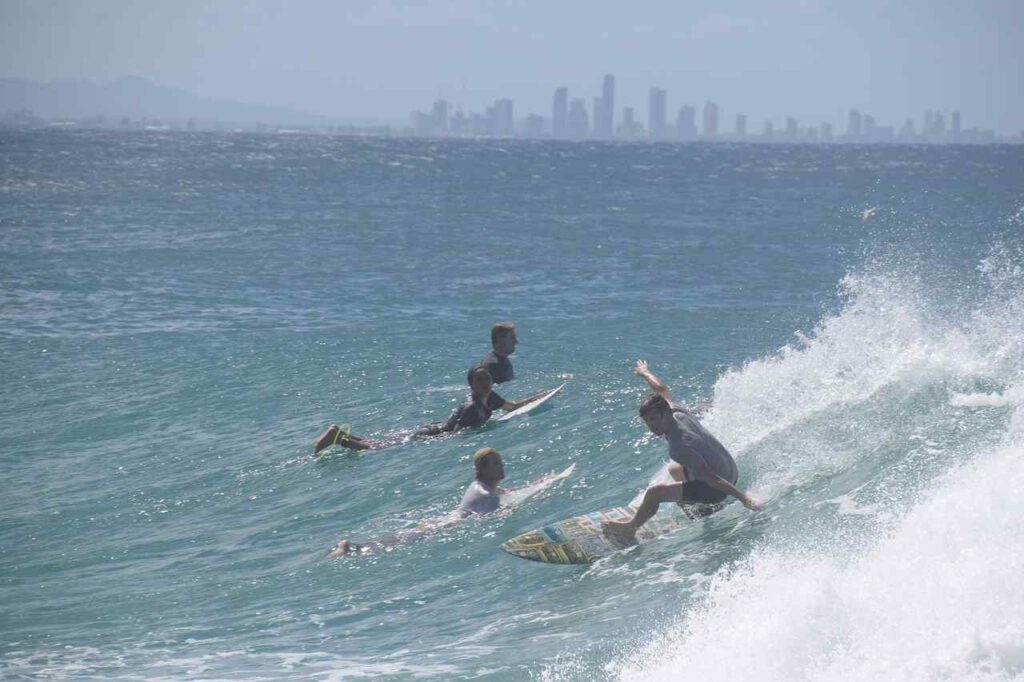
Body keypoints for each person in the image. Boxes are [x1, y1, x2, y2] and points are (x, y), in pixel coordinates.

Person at [601, 360, 762, 544]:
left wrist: (745, 499)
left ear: (665, 414)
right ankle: (700, 507)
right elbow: (661, 389)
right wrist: (645, 372)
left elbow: (711, 478)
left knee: (655, 493)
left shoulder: (679, 446)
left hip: (717, 488)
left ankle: (629, 529)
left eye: (654, 419)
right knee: (674, 471)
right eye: (647, 422)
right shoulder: (677, 411)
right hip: (731, 470)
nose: (651, 426)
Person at [328, 447, 521, 557]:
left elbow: (499, 491)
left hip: (440, 522)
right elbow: (494, 516)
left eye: (500, 461)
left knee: (399, 540)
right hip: (444, 527)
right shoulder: (488, 495)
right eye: (496, 463)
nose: (502, 465)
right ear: (484, 469)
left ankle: (353, 547)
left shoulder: (480, 486)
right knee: (395, 545)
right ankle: (350, 549)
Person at [313, 367, 549, 455]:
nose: (485, 382)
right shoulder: (470, 407)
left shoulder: (493, 397)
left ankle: (338, 434)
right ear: (471, 385)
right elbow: (455, 434)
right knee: (376, 449)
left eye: (487, 378)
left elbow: (514, 407)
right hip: (430, 434)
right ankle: (338, 438)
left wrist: (541, 395)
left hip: (434, 429)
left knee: (378, 443)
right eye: (480, 380)